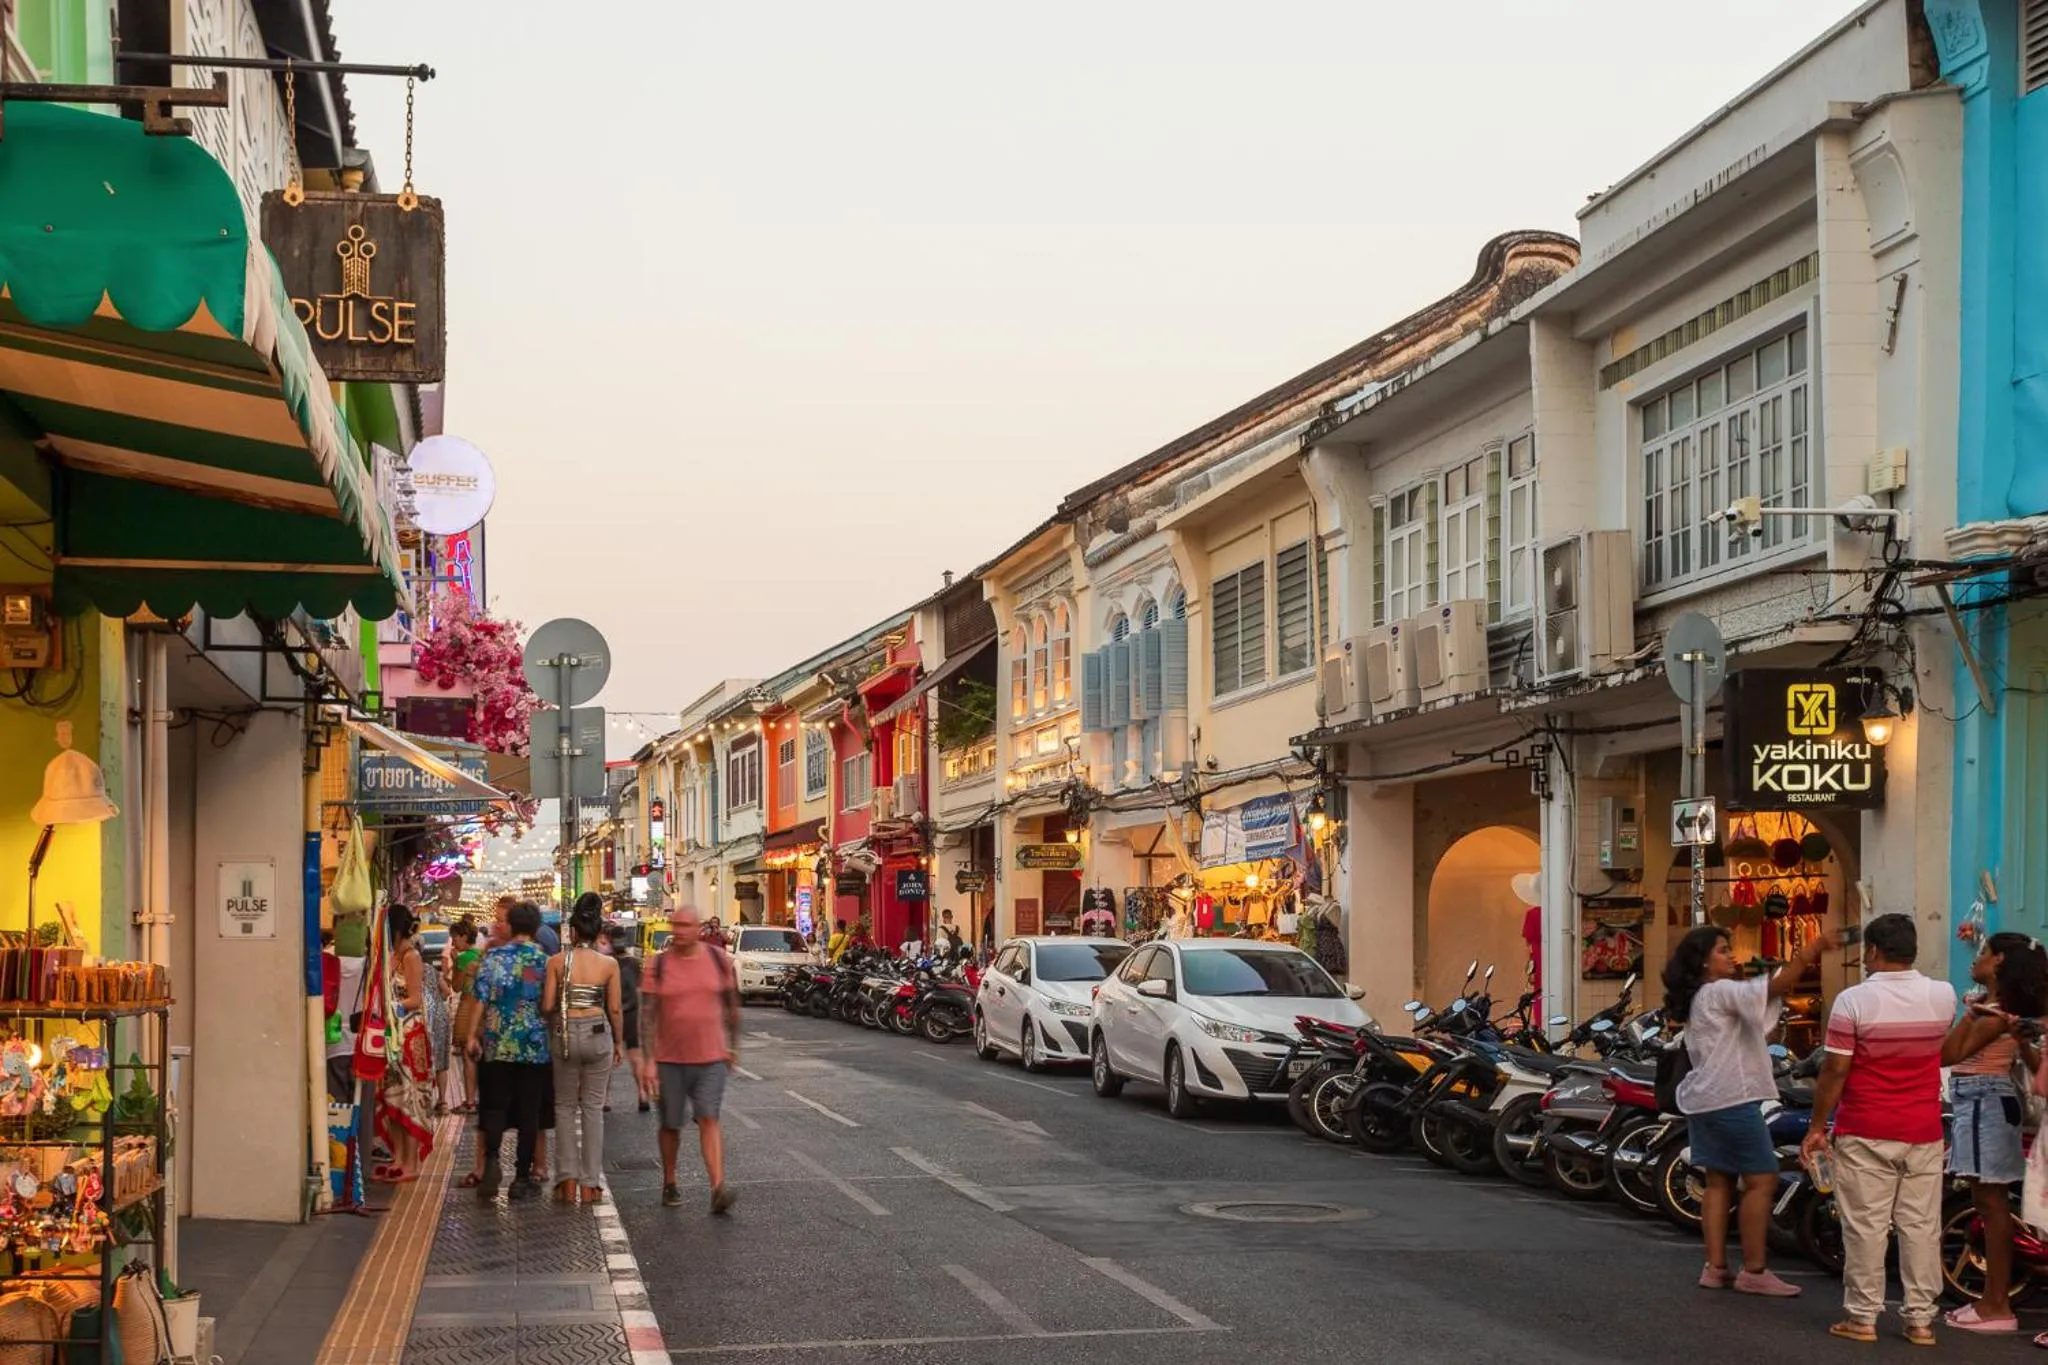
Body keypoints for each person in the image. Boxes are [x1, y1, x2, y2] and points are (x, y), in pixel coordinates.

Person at [1801, 913, 1958, 1346]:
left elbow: (1834, 1072)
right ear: (1913, 951)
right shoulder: (1944, 995)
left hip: (1866, 1127)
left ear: (1872, 951)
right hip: (1923, 1130)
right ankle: (1921, 1321)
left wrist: (1817, 1127)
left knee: (1866, 1226)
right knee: (1922, 1226)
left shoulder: (1853, 1002)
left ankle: (1863, 1317)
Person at [1662, 921, 1840, 1297]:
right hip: (1733, 1098)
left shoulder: (1703, 997)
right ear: (1704, 963)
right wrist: (1810, 951)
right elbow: (1775, 987)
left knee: (1718, 1181)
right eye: (1723, 950)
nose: (1732, 956)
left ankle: (1716, 1268)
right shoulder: (1720, 991)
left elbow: (1760, 1012)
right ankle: (1754, 1269)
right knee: (1762, 1179)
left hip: (1705, 1100)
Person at [1932, 931, 2048, 1334]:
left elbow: (1948, 1054)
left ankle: (1996, 1304)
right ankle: (1990, 1301)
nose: (1974, 960)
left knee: (1992, 1204)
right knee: (1988, 1202)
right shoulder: (1996, 1009)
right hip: (1981, 1100)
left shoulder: (1999, 1012)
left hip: (1986, 1100)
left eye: (1982, 953)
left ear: (1999, 962)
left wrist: (1970, 1016)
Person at [637, 904, 741, 1213]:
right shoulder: (658, 965)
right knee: (671, 1124)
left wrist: (733, 1046)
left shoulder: (718, 960)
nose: (679, 931)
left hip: (711, 1057)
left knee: (709, 1118)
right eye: (675, 925)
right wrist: (648, 1059)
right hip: (669, 1059)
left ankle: (717, 1187)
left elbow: (731, 1006)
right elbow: (647, 1015)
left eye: (685, 925)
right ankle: (670, 1181)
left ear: (698, 928)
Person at [467, 900, 553, 1200]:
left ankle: (491, 1160)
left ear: (512, 925)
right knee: (529, 1112)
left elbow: (480, 998)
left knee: (493, 1106)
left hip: (496, 1042)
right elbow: (547, 1004)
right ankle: (521, 1177)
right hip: (532, 1045)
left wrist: (471, 1036)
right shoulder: (542, 960)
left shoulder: (493, 957)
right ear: (535, 928)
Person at [544, 894, 625, 1203]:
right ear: (598, 932)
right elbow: (615, 1009)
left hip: (564, 1036)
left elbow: (549, 1005)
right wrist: (618, 1043)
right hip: (597, 1034)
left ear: (573, 932)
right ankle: (590, 1185)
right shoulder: (609, 964)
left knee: (564, 1107)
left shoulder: (556, 962)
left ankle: (566, 1182)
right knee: (592, 1109)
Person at [372, 904, 436, 1183]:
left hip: (409, 1034)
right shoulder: (391, 956)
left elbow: (415, 998)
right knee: (393, 1098)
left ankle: (411, 1162)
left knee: (409, 1098)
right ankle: (398, 1158)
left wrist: (392, 1007)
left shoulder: (411, 956)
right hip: (391, 1035)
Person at [607, 923, 650, 1113]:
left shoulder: (607, 962)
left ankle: (604, 1099)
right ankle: (642, 1093)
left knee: (606, 1058)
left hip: (610, 1013)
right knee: (635, 1055)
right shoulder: (633, 963)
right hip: (632, 1013)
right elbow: (640, 990)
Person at [447, 920, 483, 1113]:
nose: (453, 944)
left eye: (454, 939)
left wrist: (454, 962)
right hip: (483, 1009)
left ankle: (469, 1101)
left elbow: (456, 986)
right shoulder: (481, 955)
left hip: (467, 1009)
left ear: (463, 936)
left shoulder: (463, 959)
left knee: (468, 1057)